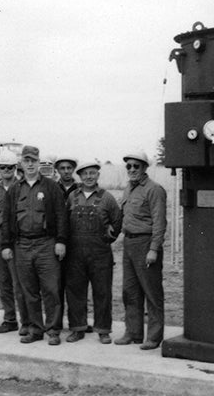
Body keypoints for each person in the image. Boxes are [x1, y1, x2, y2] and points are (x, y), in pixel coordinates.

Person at [1, 145, 68, 346]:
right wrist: (6, 245)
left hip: (45, 244)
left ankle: (53, 330)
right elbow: (7, 219)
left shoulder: (50, 187)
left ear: (39, 163)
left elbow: (61, 215)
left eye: (33, 161)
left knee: (51, 289)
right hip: (22, 245)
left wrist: (61, 241)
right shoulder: (14, 189)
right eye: (26, 161)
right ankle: (35, 329)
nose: (30, 164)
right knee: (28, 291)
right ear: (21, 163)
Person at [115, 150, 167, 350]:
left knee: (152, 292)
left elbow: (159, 222)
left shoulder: (154, 189)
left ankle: (154, 337)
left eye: (136, 166)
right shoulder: (128, 189)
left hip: (145, 244)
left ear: (145, 168)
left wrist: (153, 249)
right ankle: (133, 332)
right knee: (130, 291)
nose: (132, 170)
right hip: (129, 244)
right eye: (128, 166)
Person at [65, 162, 121, 344]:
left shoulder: (107, 198)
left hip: (100, 254)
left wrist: (106, 239)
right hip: (75, 254)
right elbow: (64, 222)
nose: (89, 176)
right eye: (85, 174)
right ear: (80, 176)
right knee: (75, 291)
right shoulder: (72, 197)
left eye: (92, 173)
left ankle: (103, 330)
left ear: (98, 175)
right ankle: (77, 328)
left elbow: (117, 222)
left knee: (102, 292)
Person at [0, 150, 29, 335]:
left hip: (16, 237)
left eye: (10, 167)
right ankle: (9, 318)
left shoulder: (22, 188)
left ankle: (26, 321)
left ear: (15, 168)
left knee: (19, 281)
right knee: (2, 280)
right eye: (3, 167)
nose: (6, 170)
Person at [53, 156, 80, 333]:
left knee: (76, 284)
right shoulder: (52, 188)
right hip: (56, 241)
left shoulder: (81, 189)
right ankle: (56, 322)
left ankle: (77, 323)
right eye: (62, 168)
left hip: (77, 241)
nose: (66, 171)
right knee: (56, 284)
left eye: (69, 168)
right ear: (58, 170)